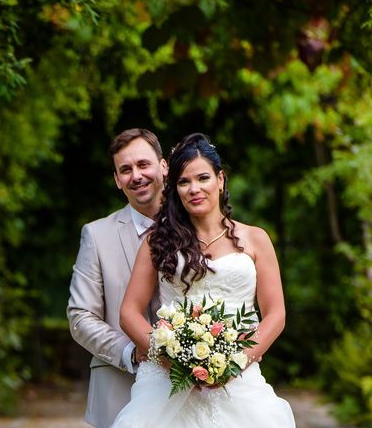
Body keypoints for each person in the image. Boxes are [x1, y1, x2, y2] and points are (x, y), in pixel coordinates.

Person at [112, 133, 296, 427]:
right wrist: (173, 360)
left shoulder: (256, 239)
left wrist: (235, 363)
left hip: (239, 378)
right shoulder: (157, 242)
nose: (194, 189)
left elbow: (275, 314)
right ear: (176, 190)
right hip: (169, 379)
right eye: (184, 182)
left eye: (202, 178)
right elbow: (129, 312)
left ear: (220, 179)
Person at [67, 128, 168, 428]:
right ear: (116, 180)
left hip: (193, 392)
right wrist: (131, 353)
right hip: (121, 393)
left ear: (164, 166)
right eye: (125, 170)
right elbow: (80, 316)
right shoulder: (97, 235)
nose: (136, 175)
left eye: (143, 164)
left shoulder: (200, 229)